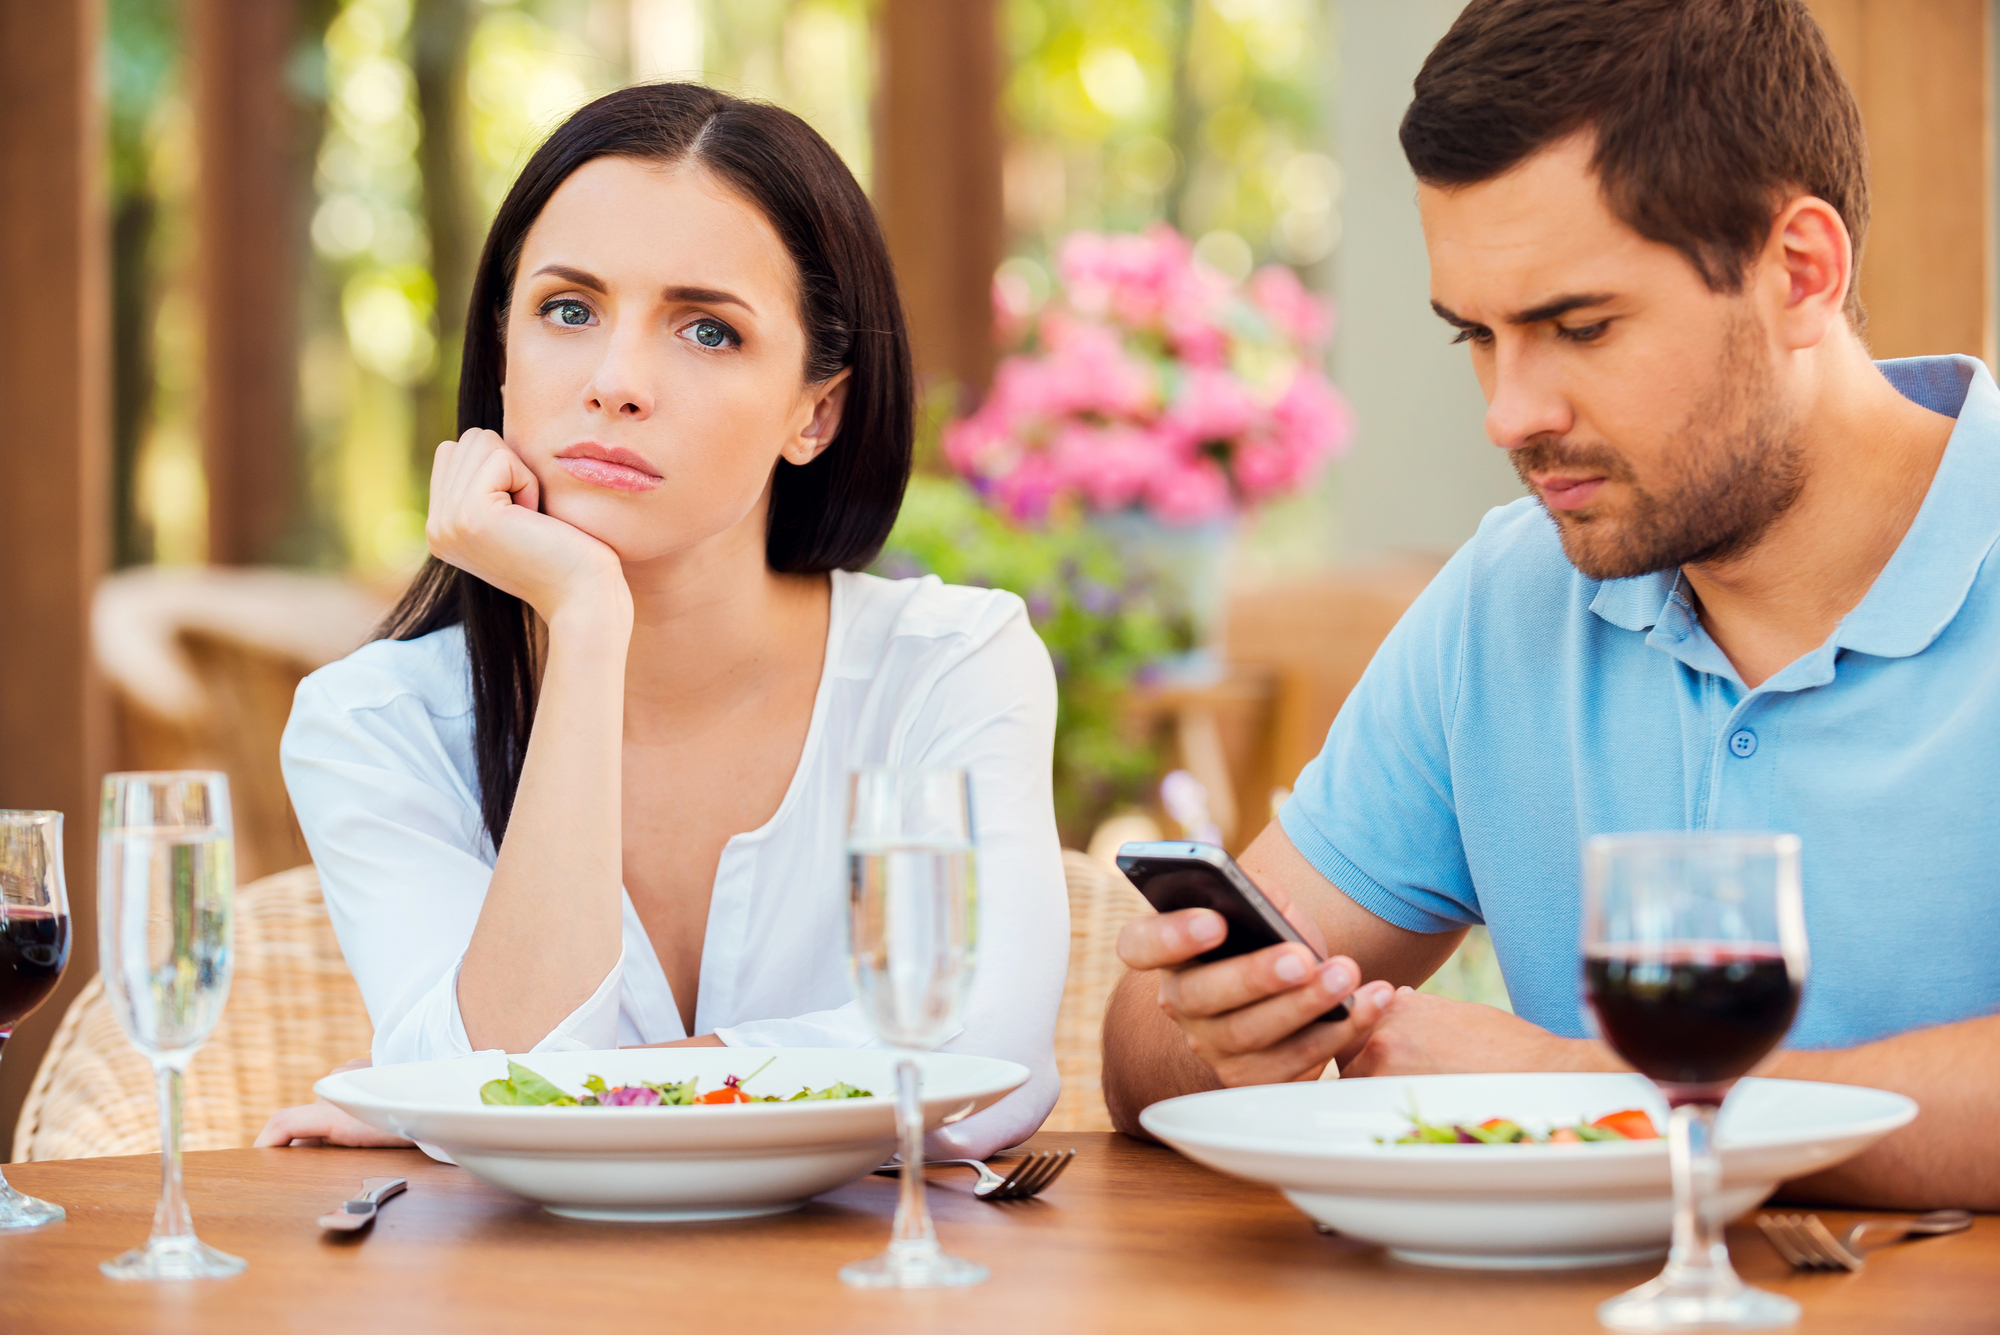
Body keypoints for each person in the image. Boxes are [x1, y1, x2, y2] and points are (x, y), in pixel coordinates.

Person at [1103, 0, 2000, 1210]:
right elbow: (1140, 1066)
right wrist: (1217, 1025)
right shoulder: (1508, 596)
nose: (1508, 412)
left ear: (1797, 273)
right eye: (1475, 335)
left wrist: (1596, 1098)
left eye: (1577, 327)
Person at [259, 83, 1065, 1158]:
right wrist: (587, 621)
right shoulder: (372, 725)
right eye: (569, 310)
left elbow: (986, 1069)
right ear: (499, 350)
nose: (615, 382)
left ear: (814, 411)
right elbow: (489, 1093)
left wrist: (570, 1099)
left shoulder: (949, 666)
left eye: (705, 330)